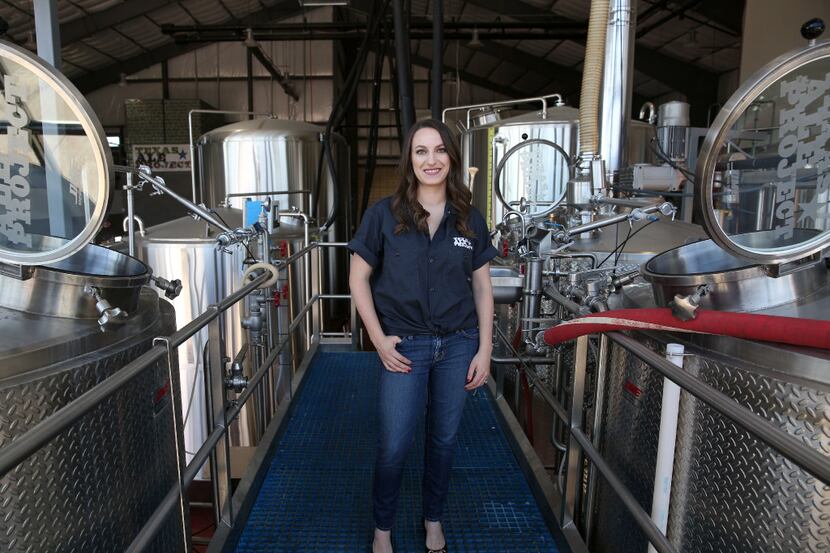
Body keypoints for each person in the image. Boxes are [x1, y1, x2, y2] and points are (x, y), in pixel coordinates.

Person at [348, 118, 498, 553]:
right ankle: (382, 529)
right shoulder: (383, 214)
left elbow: (483, 287)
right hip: (403, 346)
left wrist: (485, 348)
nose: (430, 160)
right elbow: (359, 279)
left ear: (451, 156)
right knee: (394, 443)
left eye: (438, 150)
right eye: (421, 151)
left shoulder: (469, 219)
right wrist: (377, 339)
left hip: (457, 344)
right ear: (409, 160)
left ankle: (433, 520)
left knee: (445, 439)